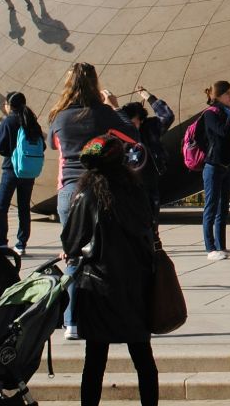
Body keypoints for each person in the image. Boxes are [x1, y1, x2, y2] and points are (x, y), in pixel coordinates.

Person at [57, 135, 158, 406]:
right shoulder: (137, 192)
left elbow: (72, 240)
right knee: (143, 358)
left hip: (98, 287)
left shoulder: (88, 196)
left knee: (95, 361)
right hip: (135, 285)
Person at [48, 63, 140, 337]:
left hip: (67, 191)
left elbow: (55, 146)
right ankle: (105, 315)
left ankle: (71, 321)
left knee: (73, 255)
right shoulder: (102, 114)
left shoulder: (59, 117)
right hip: (98, 188)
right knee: (104, 254)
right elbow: (132, 136)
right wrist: (113, 106)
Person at [0, 91, 46, 255]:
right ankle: (21, 243)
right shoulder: (32, 121)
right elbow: (41, 145)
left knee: (2, 206)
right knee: (24, 207)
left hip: (11, 169)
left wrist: (12, 153)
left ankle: (2, 242)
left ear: (9, 105)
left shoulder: (8, 121)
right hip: (28, 170)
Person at [198, 80, 230, 259]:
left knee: (223, 208)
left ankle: (221, 246)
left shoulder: (226, 112)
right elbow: (223, 132)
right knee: (211, 207)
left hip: (226, 165)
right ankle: (210, 247)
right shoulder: (211, 114)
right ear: (219, 96)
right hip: (212, 165)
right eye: (229, 93)